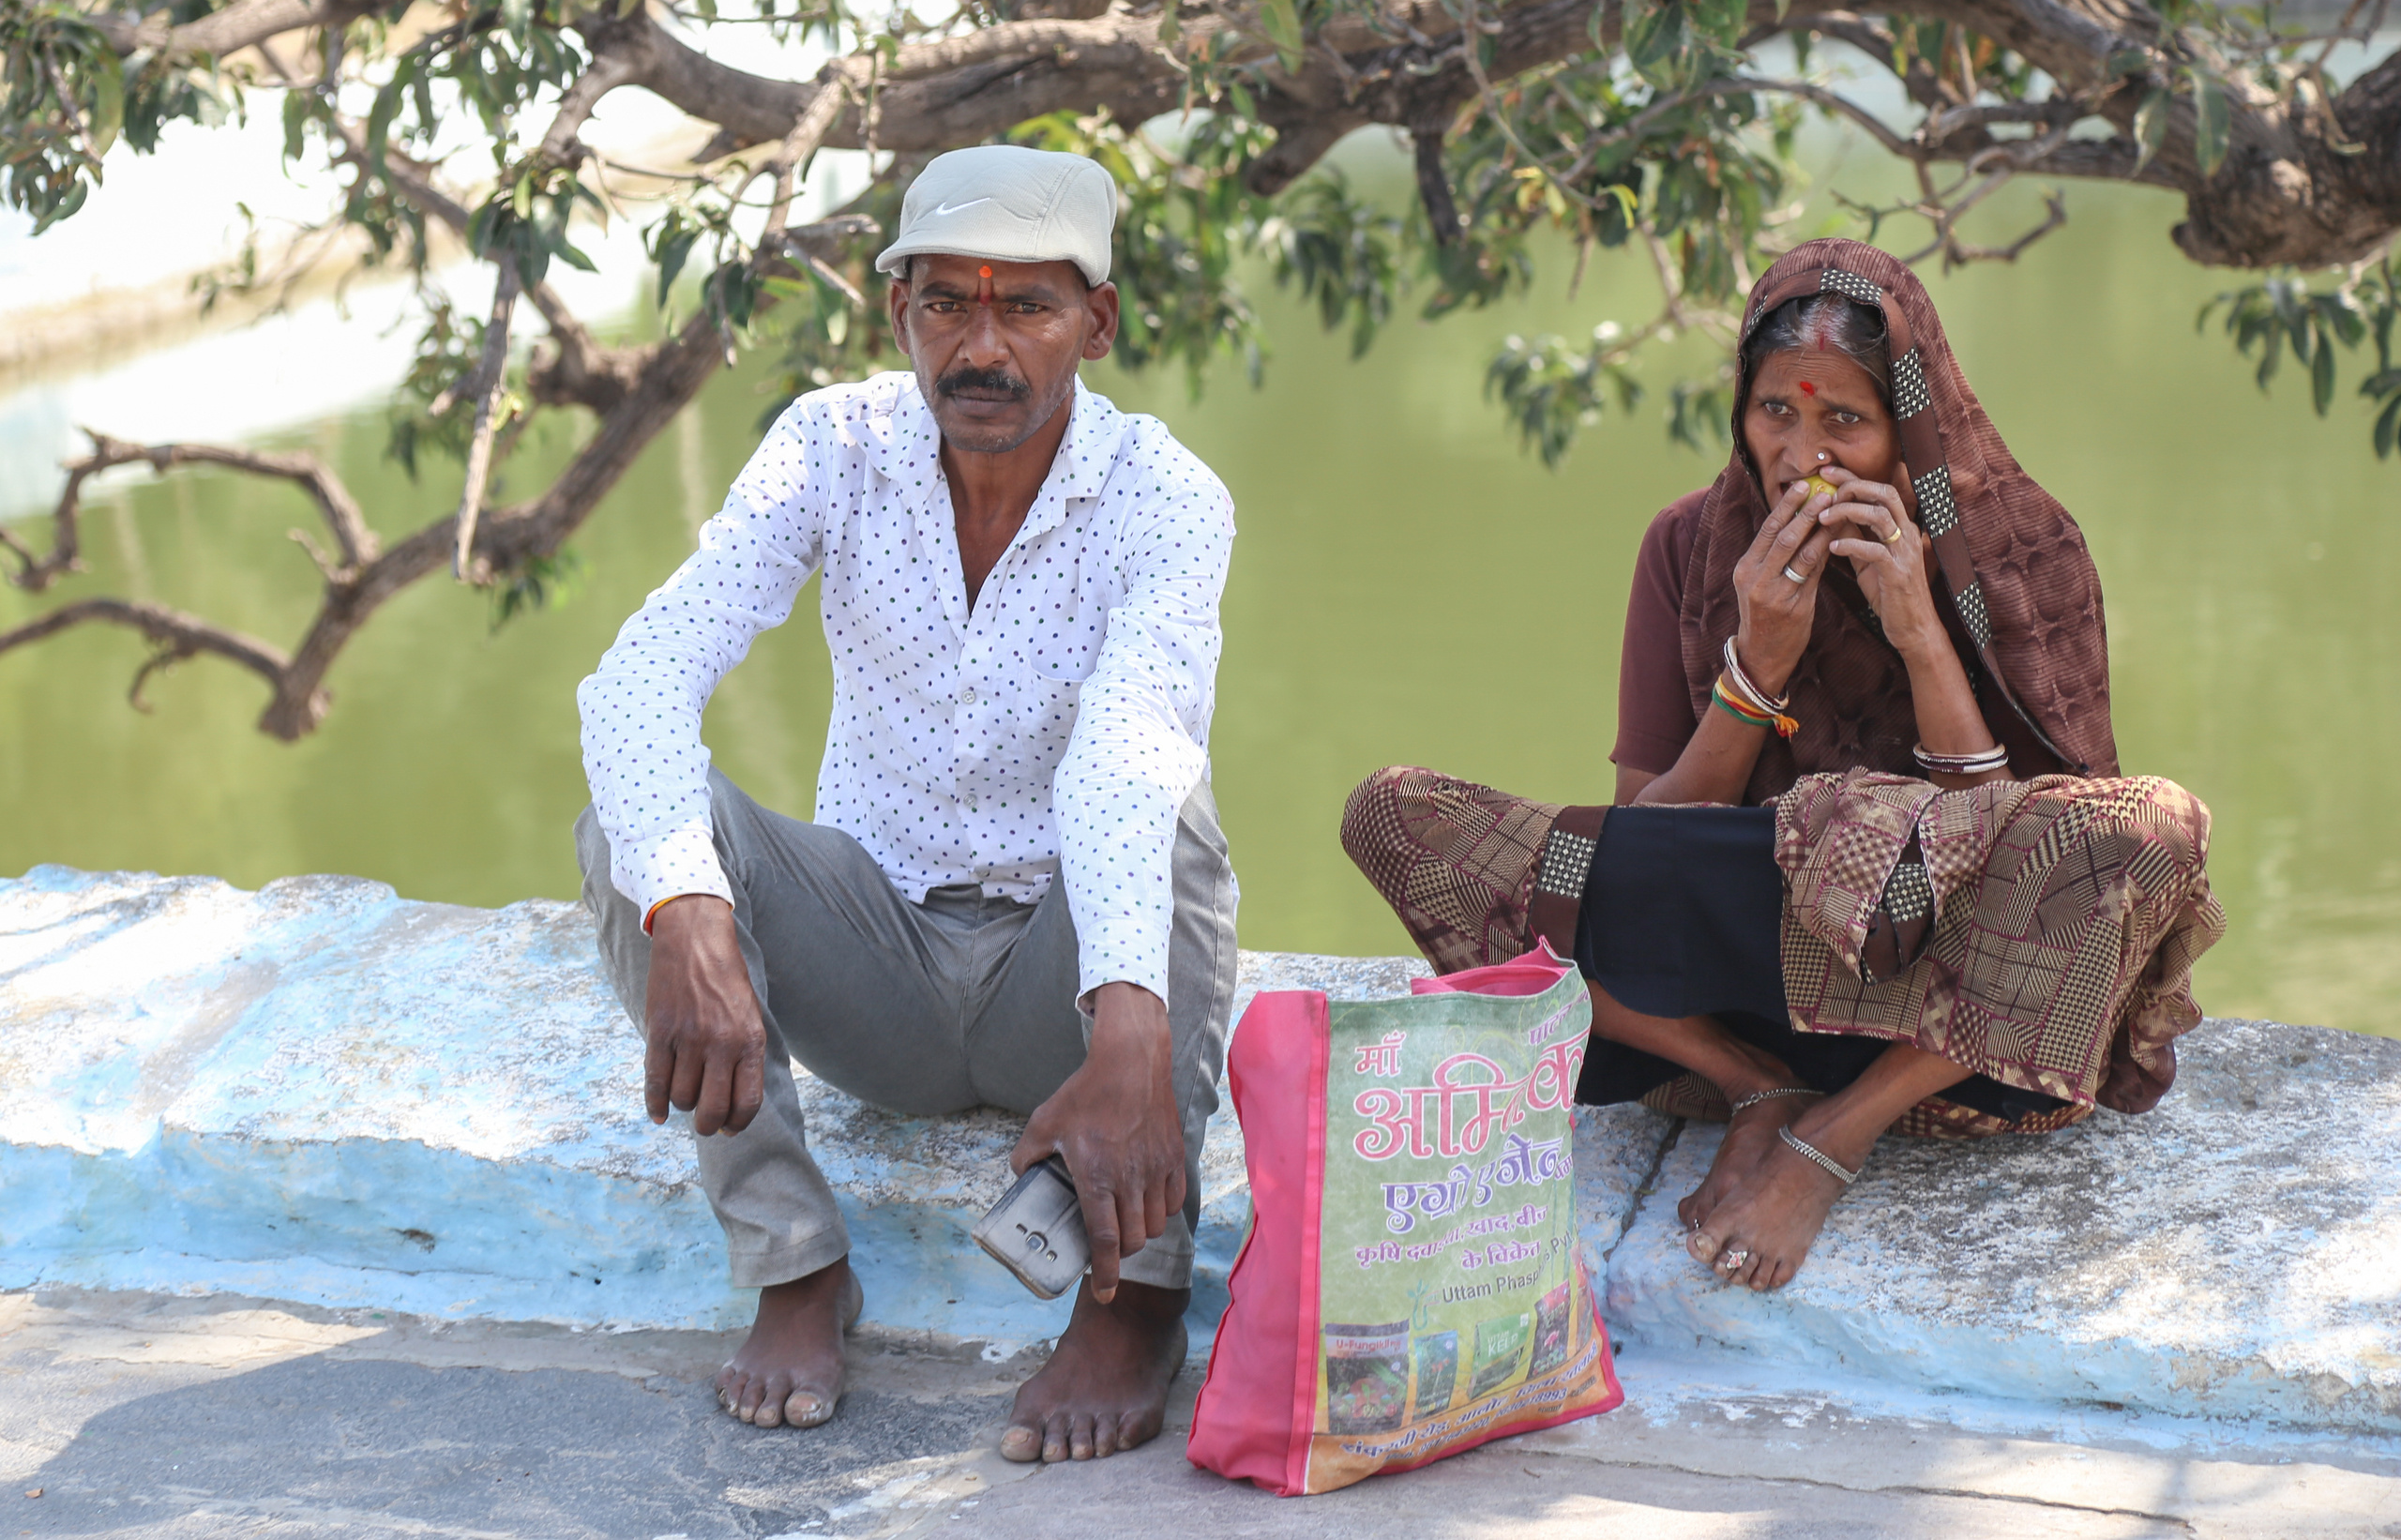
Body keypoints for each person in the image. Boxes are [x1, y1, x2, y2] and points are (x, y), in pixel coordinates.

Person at [1340, 239, 2223, 1293]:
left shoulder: (2020, 551)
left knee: (2150, 825)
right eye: (1774, 411)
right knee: (1394, 814)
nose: (1803, 456)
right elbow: (1646, 844)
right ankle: (1753, 1086)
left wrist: (1920, 634)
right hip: (1735, 980)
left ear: (1910, 427)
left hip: (1957, 1017)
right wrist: (1754, 669)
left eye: (1844, 420)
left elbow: (2042, 856)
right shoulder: (1687, 546)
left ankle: (1835, 1134)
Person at [573, 144, 1239, 1464]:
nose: (980, 348)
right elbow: (640, 671)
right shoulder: (832, 445)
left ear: (1097, 322)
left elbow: (1125, 748)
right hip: (877, 966)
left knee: (1173, 808)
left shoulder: (1165, 494)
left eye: (1026, 306)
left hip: (1069, 989)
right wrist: (688, 904)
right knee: (634, 824)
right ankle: (795, 1265)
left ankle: (1137, 1296)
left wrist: (1124, 1027)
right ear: (899, 313)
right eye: (946, 303)